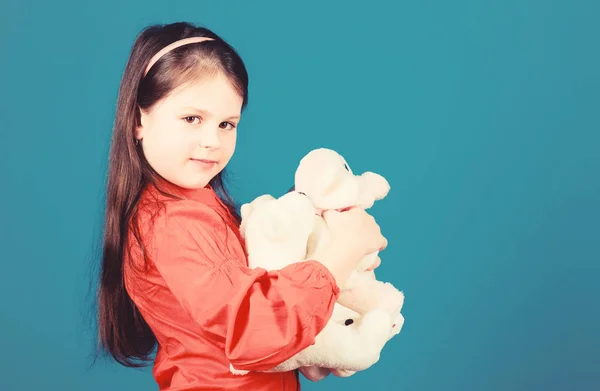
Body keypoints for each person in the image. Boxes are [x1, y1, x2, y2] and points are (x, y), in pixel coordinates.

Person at [96, 21, 387, 390]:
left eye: (227, 124)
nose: (212, 141)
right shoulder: (172, 222)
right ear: (140, 119)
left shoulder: (194, 205)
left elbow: (260, 288)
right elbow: (254, 330)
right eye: (191, 119)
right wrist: (345, 250)